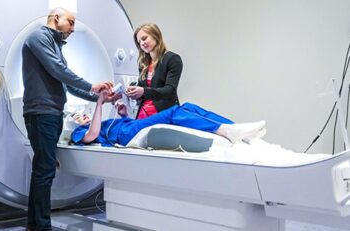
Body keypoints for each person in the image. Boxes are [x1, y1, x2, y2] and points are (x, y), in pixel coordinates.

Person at [21, 7, 116, 231]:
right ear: (56, 18)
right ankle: (42, 226)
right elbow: (58, 70)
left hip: (52, 112)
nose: (73, 29)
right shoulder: (38, 37)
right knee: (45, 172)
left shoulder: (55, 45)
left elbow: (65, 83)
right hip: (41, 112)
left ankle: (34, 226)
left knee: (42, 171)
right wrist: (92, 85)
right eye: (70, 22)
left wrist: (99, 97)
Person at [72, 91, 266, 147]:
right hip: (126, 135)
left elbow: (124, 125)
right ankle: (226, 131)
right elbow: (93, 135)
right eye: (80, 117)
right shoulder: (79, 132)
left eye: (85, 113)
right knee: (173, 113)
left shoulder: (106, 122)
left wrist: (124, 115)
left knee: (188, 107)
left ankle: (234, 129)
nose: (84, 116)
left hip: (130, 126)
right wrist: (99, 104)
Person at [125, 23, 183, 119]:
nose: (142, 43)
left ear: (155, 35)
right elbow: (143, 90)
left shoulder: (172, 59)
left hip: (163, 113)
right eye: (139, 42)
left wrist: (143, 91)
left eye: (144, 38)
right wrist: (134, 91)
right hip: (143, 113)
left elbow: (170, 90)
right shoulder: (143, 64)